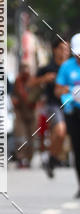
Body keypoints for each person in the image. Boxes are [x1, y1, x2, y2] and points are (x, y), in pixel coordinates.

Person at [31, 37, 70, 177]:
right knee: (60, 130)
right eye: (62, 48)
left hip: (72, 104)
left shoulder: (73, 65)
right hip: (54, 105)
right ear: (55, 50)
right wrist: (44, 78)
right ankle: (52, 157)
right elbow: (30, 83)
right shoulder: (48, 68)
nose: (65, 51)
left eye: (67, 49)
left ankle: (53, 158)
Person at [55, 33, 80, 197]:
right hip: (73, 113)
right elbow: (57, 89)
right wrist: (70, 90)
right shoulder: (66, 67)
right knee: (78, 150)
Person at [12, 63, 39, 168]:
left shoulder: (34, 81)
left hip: (32, 112)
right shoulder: (17, 82)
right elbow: (13, 95)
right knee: (20, 136)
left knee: (32, 137)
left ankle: (29, 158)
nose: (25, 72)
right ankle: (21, 158)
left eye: (26, 69)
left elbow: (38, 95)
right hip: (20, 112)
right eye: (23, 69)